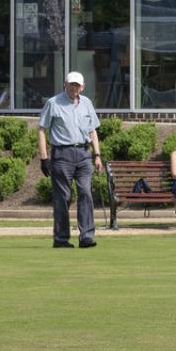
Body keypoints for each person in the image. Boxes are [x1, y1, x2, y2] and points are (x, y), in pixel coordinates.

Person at [38, 71, 104, 249]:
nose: (74, 88)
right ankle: (61, 238)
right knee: (63, 197)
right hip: (62, 154)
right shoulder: (53, 103)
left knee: (86, 193)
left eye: (77, 85)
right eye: (71, 84)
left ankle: (86, 236)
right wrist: (44, 157)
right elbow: (41, 130)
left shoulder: (87, 103)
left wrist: (97, 155)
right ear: (65, 84)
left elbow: (93, 131)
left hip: (84, 153)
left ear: (82, 87)